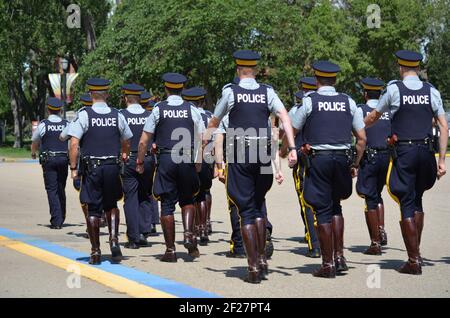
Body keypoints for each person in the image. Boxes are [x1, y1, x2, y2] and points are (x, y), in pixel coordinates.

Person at [207, 50, 297, 284]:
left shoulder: (230, 92)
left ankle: (254, 267)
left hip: (239, 151)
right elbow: (285, 117)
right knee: (257, 206)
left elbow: (215, 121)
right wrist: (293, 148)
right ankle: (263, 260)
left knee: (246, 210)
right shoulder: (267, 92)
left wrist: (205, 143)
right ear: (255, 70)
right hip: (263, 152)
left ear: (238, 70)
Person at [364, 50, 448, 275]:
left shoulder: (394, 89)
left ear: (401, 68)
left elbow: (374, 115)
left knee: (406, 203)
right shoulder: (431, 91)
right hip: (426, 151)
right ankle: (416, 252)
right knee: (417, 199)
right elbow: (443, 126)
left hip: (405, 152)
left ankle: (413, 260)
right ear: (418, 69)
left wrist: (362, 125)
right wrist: (441, 160)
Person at [291, 60, 366, 278]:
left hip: (319, 159)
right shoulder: (349, 102)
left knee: (322, 209)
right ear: (335, 79)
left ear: (316, 80)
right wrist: (355, 163)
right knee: (336, 207)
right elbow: (361, 139)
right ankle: (340, 257)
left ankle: (327, 264)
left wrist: (288, 151)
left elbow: (293, 130)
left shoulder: (309, 101)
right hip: (342, 158)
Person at [136, 73, 205, 262]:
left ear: (166, 89)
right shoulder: (191, 109)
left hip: (166, 158)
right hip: (186, 157)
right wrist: (198, 160)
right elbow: (201, 136)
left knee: (166, 204)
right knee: (188, 199)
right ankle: (189, 234)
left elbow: (144, 141)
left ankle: (170, 250)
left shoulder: (158, 109)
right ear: (182, 89)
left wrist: (140, 161)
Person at [68, 78, 133, 265]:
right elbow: (127, 139)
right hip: (112, 166)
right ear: (108, 95)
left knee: (93, 208)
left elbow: (73, 144)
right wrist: (124, 155)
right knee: (112, 204)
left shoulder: (84, 115)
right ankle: (114, 240)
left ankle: (95, 251)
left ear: (90, 95)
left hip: (92, 168)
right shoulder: (117, 114)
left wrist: (73, 169)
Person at [214, 113, 278, 259]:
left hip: (237, 158)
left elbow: (219, 142)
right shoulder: (264, 116)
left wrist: (220, 166)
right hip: (262, 156)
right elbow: (272, 139)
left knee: (237, 202)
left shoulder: (228, 117)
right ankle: (263, 232)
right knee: (259, 199)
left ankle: (239, 245)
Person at [282, 77, 320, 258]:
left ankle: (314, 242)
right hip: (327, 159)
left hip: (303, 159)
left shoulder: (298, 109)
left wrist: (284, 151)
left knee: (305, 201)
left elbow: (287, 131)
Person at [355, 77, 390, 255]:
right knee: (378, 194)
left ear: (365, 93)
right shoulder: (388, 110)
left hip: (369, 157)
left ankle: (375, 241)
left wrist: (355, 162)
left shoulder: (361, 109)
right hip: (387, 157)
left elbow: (358, 137)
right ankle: (381, 228)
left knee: (369, 197)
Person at [120, 83, 157, 249]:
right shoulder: (150, 114)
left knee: (130, 198)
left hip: (129, 159)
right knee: (145, 195)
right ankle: (144, 232)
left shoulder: (121, 115)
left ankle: (133, 237)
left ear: (126, 98)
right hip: (147, 158)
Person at [182, 87, 214, 245]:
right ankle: (205, 225)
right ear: (202, 101)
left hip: (192, 156)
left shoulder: (187, 113)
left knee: (191, 194)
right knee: (204, 192)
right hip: (208, 157)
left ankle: (194, 227)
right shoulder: (210, 116)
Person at [31, 97, 69, 229]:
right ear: (60, 110)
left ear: (48, 109)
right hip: (64, 159)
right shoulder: (66, 124)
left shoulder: (44, 124)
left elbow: (35, 141)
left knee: (52, 190)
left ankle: (56, 220)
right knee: (61, 188)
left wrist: (33, 152)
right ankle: (62, 216)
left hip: (49, 160)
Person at [139, 91, 160, 235]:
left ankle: (143, 225)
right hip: (152, 158)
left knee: (138, 193)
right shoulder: (152, 116)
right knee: (151, 191)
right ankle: (153, 222)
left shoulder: (124, 114)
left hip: (137, 157)